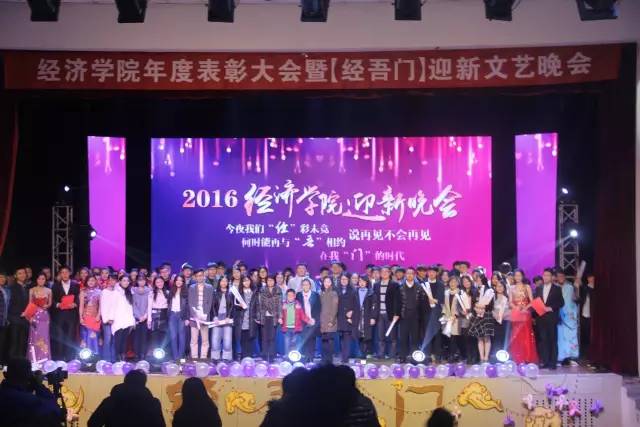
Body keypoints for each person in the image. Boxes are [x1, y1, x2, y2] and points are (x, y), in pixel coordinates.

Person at [88, 369, 165, 427]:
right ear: (144, 383)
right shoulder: (153, 403)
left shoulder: (110, 401)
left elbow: (93, 423)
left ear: (125, 380)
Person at [0, 358, 64, 427]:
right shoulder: (29, 401)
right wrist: (39, 385)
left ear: (5, 374)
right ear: (29, 375)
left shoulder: (5, 393)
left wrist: (30, 387)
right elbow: (54, 412)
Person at [533, 268, 564, 370]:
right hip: (541, 318)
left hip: (551, 317)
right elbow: (535, 301)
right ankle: (545, 361)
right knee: (543, 340)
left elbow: (561, 303)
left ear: (552, 277)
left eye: (548, 275)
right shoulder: (539, 288)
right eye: (544, 275)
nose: (545, 277)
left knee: (552, 339)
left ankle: (553, 362)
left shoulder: (557, 288)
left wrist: (551, 308)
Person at [395, 267, 427, 362]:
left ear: (414, 275)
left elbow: (422, 303)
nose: (409, 275)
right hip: (403, 316)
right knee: (403, 337)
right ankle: (403, 357)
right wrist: (396, 313)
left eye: (411, 273)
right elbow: (397, 302)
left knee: (415, 338)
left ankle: (414, 357)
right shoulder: (400, 287)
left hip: (416, 316)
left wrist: (422, 316)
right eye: (408, 273)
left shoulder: (420, 287)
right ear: (405, 275)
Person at [51, 266, 80, 361]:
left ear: (70, 273)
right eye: (62, 272)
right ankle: (60, 358)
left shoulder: (76, 285)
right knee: (60, 336)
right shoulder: (55, 285)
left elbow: (79, 297)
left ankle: (70, 358)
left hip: (72, 315)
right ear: (60, 274)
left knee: (70, 336)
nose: (64, 274)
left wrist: (75, 303)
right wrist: (57, 304)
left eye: (66, 272)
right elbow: (52, 300)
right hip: (59, 315)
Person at [508, 272, 538, 364]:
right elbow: (510, 302)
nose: (517, 277)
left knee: (526, 334)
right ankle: (517, 358)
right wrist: (516, 308)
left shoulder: (527, 287)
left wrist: (525, 308)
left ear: (522, 276)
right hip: (516, 313)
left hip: (525, 313)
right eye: (516, 275)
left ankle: (527, 357)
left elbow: (532, 301)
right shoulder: (511, 287)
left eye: (519, 275)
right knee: (516, 335)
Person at [373, 266, 399, 359]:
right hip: (379, 314)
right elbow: (375, 300)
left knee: (392, 336)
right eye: (382, 272)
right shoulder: (376, 285)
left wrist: (396, 313)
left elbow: (397, 300)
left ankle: (392, 355)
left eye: (386, 272)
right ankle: (381, 354)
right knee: (380, 336)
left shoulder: (394, 284)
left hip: (390, 314)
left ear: (389, 273)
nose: (384, 273)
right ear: (380, 274)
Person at [188, 269, 214, 359]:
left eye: (201, 275)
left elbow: (210, 302)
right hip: (194, 318)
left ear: (204, 276)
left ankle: (203, 358)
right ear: (195, 277)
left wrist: (204, 315)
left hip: (205, 317)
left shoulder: (209, 287)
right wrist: (195, 316)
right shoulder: (191, 287)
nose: (200, 277)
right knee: (194, 340)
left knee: (205, 340)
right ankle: (194, 358)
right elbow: (190, 303)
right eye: (198, 276)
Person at [421, 265, 445, 362]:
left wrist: (435, 300)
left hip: (437, 313)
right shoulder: (423, 284)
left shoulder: (440, 284)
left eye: (433, 272)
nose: (431, 273)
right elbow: (420, 299)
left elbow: (442, 299)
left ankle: (437, 356)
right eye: (430, 272)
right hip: (426, 313)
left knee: (437, 335)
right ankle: (427, 356)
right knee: (426, 334)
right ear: (427, 273)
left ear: (436, 273)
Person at [556, 269, 579, 366]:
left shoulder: (570, 287)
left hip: (569, 317)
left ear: (564, 277)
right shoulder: (555, 287)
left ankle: (571, 358)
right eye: (558, 276)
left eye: (562, 276)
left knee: (571, 337)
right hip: (559, 316)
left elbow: (575, 299)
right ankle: (560, 358)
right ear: (556, 278)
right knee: (560, 338)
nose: (560, 278)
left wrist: (576, 288)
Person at [27, 272, 52, 361]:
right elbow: (30, 304)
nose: (41, 280)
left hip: (44, 316)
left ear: (45, 280)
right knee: (34, 337)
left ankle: (44, 358)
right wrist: (30, 317)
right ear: (36, 280)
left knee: (44, 337)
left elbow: (50, 303)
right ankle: (34, 359)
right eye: (39, 279)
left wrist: (46, 306)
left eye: (43, 279)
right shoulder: (32, 290)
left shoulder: (49, 290)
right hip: (35, 315)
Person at [257, 275, 281, 361]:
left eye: (272, 280)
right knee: (264, 337)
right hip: (264, 316)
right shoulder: (262, 290)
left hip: (274, 317)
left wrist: (280, 316)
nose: (270, 282)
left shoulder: (278, 290)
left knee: (272, 337)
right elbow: (260, 304)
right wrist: (259, 317)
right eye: (268, 280)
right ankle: (264, 355)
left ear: (274, 281)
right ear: (266, 281)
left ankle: (271, 355)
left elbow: (279, 304)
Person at [8, 267, 30, 360]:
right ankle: (12, 363)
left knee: (23, 342)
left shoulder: (28, 288)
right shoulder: (11, 288)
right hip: (15, 319)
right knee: (14, 342)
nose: (22, 275)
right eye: (20, 273)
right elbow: (9, 304)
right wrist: (20, 313)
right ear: (15, 275)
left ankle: (21, 362)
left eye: (24, 273)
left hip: (25, 319)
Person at [233, 276, 258, 360]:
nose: (246, 282)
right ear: (242, 282)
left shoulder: (254, 292)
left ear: (250, 281)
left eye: (248, 280)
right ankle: (244, 358)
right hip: (241, 318)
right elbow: (234, 306)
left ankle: (249, 357)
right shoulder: (238, 293)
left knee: (250, 339)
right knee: (242, 339)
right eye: (244, 281)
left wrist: (257, 317)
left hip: (251, 319)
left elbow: (257, 305)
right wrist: (239, 306)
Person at [296, 278, 321, 362]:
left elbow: (318, 308)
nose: (305, 286)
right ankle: (304, 358)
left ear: (310, 286)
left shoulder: (315, 295)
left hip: (313, 321)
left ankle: (311, 357)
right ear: (302, 286)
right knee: (303, 340)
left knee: (312, 339)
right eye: (304, 285)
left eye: (307, 284)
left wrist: (315, 319)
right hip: (302, 321)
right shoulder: (298, 295)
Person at [112, 274, 136, 361]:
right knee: (118, 340)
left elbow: (131, 308)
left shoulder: (130, 292)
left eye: (127, 281)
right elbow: (112, 306)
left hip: (127, 319)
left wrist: (132, 320)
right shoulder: (115, 292)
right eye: (124, 280)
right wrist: (111, 318)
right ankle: (117, 358)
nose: (126, 282)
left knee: (124, 340)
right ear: (120, 281)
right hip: (118, 319)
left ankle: (122, 358)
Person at [211, 276, 234, 362]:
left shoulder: (230, 293)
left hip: (227, 318)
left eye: (225, 281)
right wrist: (215, 316)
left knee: (227, 340)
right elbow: (213, 306)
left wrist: (228, 316)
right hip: (217, 318)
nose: (224, 283)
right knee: (215, 339)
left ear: (227, 283)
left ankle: (226, 357)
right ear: (219, 282)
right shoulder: (215, 293)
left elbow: (232, 306)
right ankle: (215, 357)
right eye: (222, 281)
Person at [353, 275, 377, 359]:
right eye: (360, 281)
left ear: (367, 282)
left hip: (367, 316)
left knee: (367, 335)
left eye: (363, 281)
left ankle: (366, 353)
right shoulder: (355, 292)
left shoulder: (371, 293)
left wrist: (373, 317)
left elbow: (375, 306)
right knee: (359, 334)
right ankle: (361, 353)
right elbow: (351, 305)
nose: (362, 283)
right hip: (357, 316)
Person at [337, 274, 358, 363]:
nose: (344, 281)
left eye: (345, 279)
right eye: (342, 279)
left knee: (347, 338)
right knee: (341, 338)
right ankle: (343, 356)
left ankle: (345, 358)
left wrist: (352, 312)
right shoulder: (337, 290)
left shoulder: (353, 290)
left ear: (348, 280)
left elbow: (357, 304)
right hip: (339, 317)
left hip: (348, 317)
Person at [280, 289, 308, 355]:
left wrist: (309, 321)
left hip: (296, 329)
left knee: (296, 344)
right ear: (286, 296)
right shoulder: (283, 305)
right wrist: (280, 318)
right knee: (287, 344)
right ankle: (287, 357)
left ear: (295, 296)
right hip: (286, 328)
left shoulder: (298, 305)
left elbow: (302, 316)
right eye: (288, 295)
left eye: (292, 295)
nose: (290, 297)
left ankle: (296, 358)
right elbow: (280, 315)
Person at [168, 275, 189, 361]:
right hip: (172, 315)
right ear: (175, 281)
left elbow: (188, 306)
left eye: (181, 280)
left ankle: (180, 358)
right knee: (173, 337)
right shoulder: (171, 291)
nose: (179, 282)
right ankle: (175, 358)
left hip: (181, 315)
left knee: (182, 337)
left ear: (183, 282)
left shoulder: (186, 292)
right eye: (177, 280)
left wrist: (187, 318)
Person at [79, 275, 101, 355]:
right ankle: (87, 356)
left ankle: (95, 355)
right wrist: (81, 317)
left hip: (95, 317)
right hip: (86, 317)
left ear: (95, 281)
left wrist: (98, 315)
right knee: (87, 336)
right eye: (89, 280)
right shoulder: (83, 292)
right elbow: (81, 306)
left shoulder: (99, 292)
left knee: (94, 336)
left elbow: (101, 306)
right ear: (86, 282)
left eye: (93, 280)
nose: (91, 282)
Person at [442, 276, 462, 362]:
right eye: (451, 282)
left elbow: (462, 306)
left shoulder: (460, 292)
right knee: (448, 337)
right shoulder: (446, 292)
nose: (452, 283)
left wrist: (455, 315)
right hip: (447, 318)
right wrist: (443, 314)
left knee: (454, 337)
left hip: (456, 318)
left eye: (454, 282)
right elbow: (444, 305)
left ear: (458, 283)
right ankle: (450, 354)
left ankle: (454, 355)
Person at [490, 277, 511, 362]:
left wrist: (504, 315)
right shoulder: (493, 297)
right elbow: (490, 309)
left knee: (505, 339)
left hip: (505, 321)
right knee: (496, 339)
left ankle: (504, 358)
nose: (499, 288)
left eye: (501, 286)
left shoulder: (507, 297)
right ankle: (495, 358)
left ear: (504, 287)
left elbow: (511, 309)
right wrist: (495, 315)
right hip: (495, 321)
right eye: (498, 286)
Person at [99, 273, 119, 362]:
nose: (112, 281)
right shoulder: (104, 292)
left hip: (116, 320)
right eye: (110, 280)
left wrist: (114, 318)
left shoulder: (117, 293)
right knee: (107, 339)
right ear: (108, 281)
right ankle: (106, 359)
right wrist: (107, 319)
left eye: (114, 280)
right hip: (107, 320)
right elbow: (103, 306)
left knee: (114, 340)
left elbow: (117, 307)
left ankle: (113, 359)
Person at [319, 276, 339, 364]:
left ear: (331, 283)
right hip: (322, 321)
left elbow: (335, 308)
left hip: (330, 321)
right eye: (325, 282)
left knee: (330, 341)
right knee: (324, 341)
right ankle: (324, 359)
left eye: (328, 282)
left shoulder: (333, 293)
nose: (327, 283)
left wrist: (332, 320)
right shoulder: (321, 293)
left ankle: (329, 360)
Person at [459, 275, 477, 364]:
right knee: (466, 338)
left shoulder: (475, 291)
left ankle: (475, 357)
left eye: (467, 281)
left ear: (471, 282)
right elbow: (458, 305)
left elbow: (477, 303)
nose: (466, 283)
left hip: (473, 317)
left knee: (473, 338)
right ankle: (468, 356)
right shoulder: (460, 293)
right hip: (464, 318)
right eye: (464, 282)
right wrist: (462, 311)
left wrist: (472, 312)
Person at [132, 274, 151, 360]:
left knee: (144, 337)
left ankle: (143, 354)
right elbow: (133, 305)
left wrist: (145, 315)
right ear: (137, 281)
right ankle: (136, 354)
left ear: (145, 281)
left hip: (146, 317)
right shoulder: (133, 290)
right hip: (136, 318)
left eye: (143, 280)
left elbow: (150, 304)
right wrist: (139, 316)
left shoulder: (149, 290)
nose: (141, 282)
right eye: (139, 280)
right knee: (136, 337)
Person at [578, 273, 595, 361]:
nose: (591, 279)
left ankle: (592, 354)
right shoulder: (584, 288)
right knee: (585, 335)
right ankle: (585, 355)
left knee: (592, 336)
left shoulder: (593, 289)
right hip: (584, 314)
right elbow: (580, 298)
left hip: (592, 315)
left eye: (592, 277)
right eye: (589, 277)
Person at [0, 271, 9, 365]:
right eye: (0, 277)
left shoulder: (6, 289)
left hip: (4, 321)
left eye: (3, 277)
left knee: (2, 343)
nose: (2, 279)